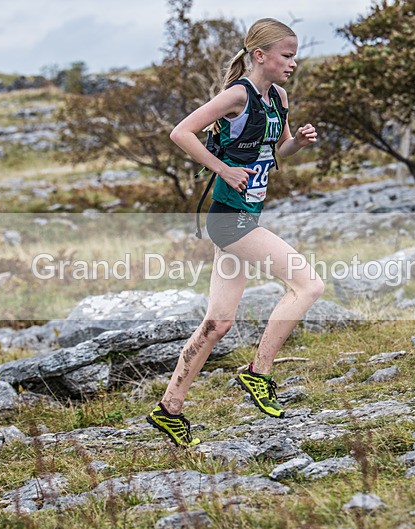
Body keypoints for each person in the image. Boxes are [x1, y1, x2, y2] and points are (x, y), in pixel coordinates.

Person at [146, 18, 324, 447]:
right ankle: (258, 373)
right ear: (260, 56)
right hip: (230, 219)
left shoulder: (278, 98)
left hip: (247, 216)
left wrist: (297, 142)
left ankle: (169, 409)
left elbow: (274, 151)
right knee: (308, 285)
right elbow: (180, 132)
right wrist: (224, 168)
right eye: (287, 55)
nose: (293, 63)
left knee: (219, 323)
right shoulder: (237, 95)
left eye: (295, 55)